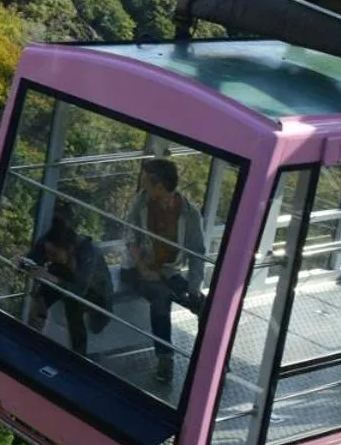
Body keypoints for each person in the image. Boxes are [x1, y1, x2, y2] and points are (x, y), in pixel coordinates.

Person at [121, 157, 207, 385]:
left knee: (204, 306)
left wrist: (194, 288)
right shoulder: (141, 202)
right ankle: (165, 359)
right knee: (161, 296)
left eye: (146, 181)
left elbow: (197, 252)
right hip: (137, 269)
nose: (142, 186)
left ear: (159, 185)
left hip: (168, 271)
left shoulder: (189, 213)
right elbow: (130, 235)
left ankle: (210, 359)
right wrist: (142, 268)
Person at [23, 214, 110, 355]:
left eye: (54, 255)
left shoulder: (88, 254)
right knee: (42, 289)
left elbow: (79, 291)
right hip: (66, 279)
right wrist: (25, 263)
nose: (49, 258)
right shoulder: (52, 240)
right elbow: (33, 258)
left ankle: (79, 355)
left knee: (73, 304)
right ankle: (33, 329)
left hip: (94, 296)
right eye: (48, 254)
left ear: (69, 249)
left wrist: (49, 277)